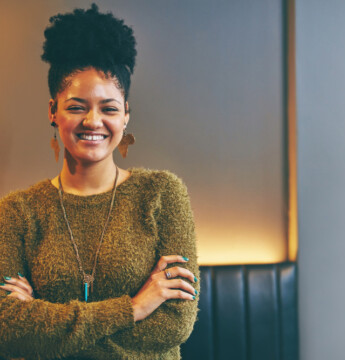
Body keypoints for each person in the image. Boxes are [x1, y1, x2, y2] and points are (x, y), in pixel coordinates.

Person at [0, 4, 199, 359]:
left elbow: (174, 324)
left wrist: (47, 329)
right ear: (53, 112)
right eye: (77, 107)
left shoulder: (162, 194)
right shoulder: (17, 212)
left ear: (126, 116)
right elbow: (7, 328)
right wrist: (135, 307)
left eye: (108, 108)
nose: (93, 121)